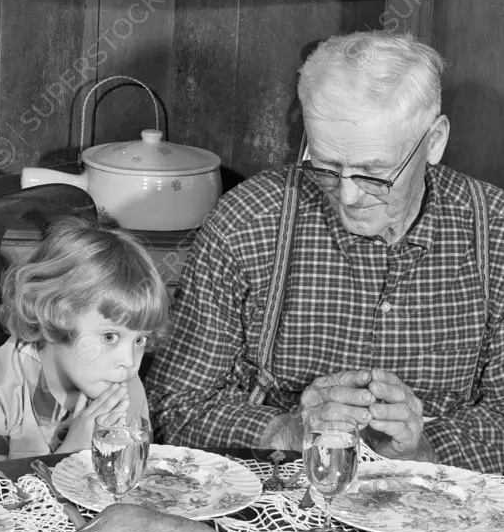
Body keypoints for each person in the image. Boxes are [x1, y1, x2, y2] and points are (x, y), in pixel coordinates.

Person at [147, 31, 504, 474]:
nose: (349, 196)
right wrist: (290, 431)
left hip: (440, 506)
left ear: (434, 141)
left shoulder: (496, 233)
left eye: (375, 174)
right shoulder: (249, 221)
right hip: (280, 502)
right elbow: (173, 409)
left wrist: (423, 450)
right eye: (327, 166)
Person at [0, 218, 168, 465]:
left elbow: (131, 481)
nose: (129, 363)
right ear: (60, 314)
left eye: (140, 340)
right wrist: (70, 451)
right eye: (110, 336)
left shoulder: (125, 386)